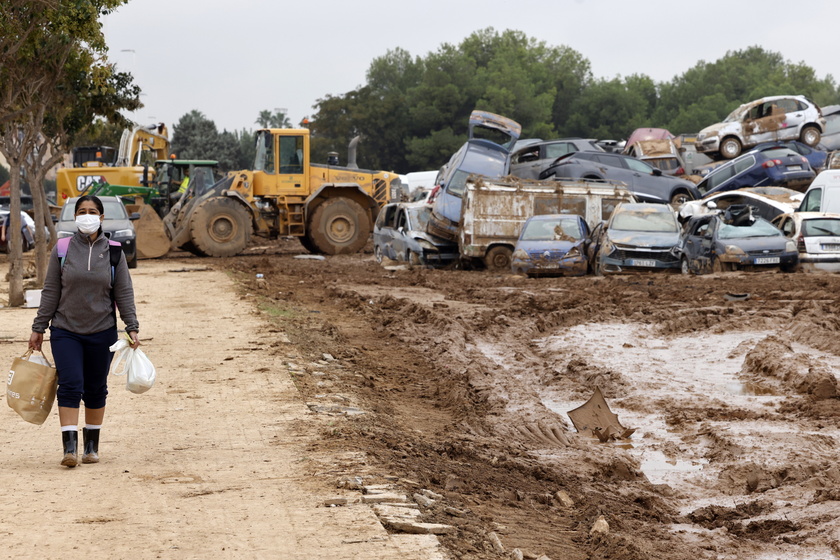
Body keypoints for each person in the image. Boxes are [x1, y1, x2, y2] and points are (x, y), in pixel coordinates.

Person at [29, 195, 140, 468]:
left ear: (101, 217)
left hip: (102, 331)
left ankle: (91, 447)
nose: (87, 216)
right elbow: (51, 291)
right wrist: (38, 327)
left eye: (92, 212)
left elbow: (123, 292)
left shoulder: (114, 251)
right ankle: (69, 449)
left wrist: (132, 327)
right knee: (69, 384)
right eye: (82, 211)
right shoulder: (62, 249)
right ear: (75, 216)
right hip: (66, 330)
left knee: (95, 388)